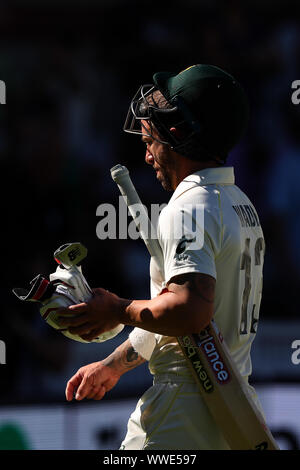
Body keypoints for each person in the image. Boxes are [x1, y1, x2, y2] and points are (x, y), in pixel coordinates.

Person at [57, 64, 266, 450]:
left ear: (178, 133)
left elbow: (188, 311)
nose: (147, 151)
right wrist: (113, 365)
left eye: (151, 138)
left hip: (182, 410)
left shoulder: (190, 207)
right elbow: (180, 324)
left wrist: (115, 308)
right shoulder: (240, 204)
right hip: (230, 406)